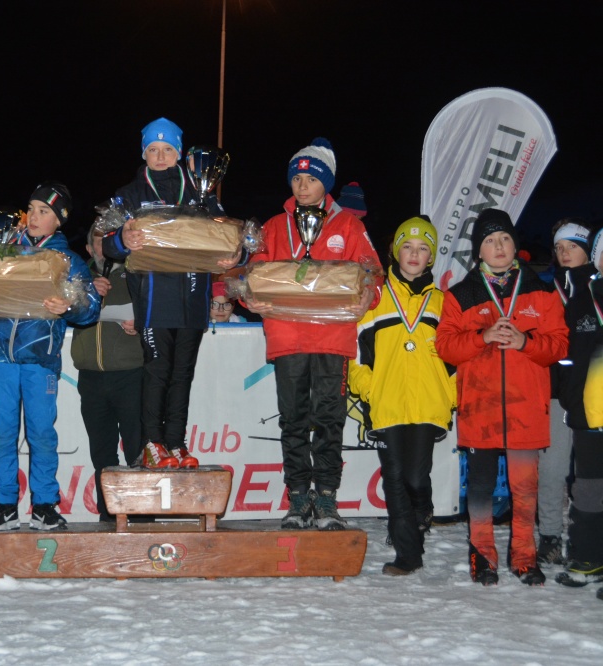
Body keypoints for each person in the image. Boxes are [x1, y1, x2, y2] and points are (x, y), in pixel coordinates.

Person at [0, 182, 101, 531]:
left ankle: (45, 504)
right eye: (31, 208)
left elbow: (91, 308)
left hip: (39, 361)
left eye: (44, 210)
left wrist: (70, 305)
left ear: (59, 220)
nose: (34, 216)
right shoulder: (0, 252)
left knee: (42, 434)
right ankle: (4, 504)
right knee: (1, 433)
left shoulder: (67, 260)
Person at [245, 137, 381, 531]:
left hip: (332, 338)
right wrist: (252, 297)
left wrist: (365, 300)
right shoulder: (272, 226)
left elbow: (373, 275)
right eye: (297, 177)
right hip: (287, 338)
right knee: (292, 419)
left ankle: (327, 498)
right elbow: (253, 278)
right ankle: (298, 497)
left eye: (311, 177)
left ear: (327, 183)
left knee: (329, 419)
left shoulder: (349, 226)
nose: (302, 185)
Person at [435, 208, 568, 586]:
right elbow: (445, 347)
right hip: (481, 408)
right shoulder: (461, 294)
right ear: (479, 250)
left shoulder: (541, 291)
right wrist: (482, 338)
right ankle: (482, 557)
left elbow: (559, 344)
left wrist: (526, 341)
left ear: (515, 246)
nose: (499, 246)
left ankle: (524, 557)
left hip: (526, 408)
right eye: (490, 240)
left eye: (505, 239)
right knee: (478, 488)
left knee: (524, 488)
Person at [102, 117, 242, 469]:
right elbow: (108, 245)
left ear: (178, 153)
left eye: (167, 150)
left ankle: (177, 444)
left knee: (183, 373)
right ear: (144, 153)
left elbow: (229, 236)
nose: (160, 156)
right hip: (153, 299)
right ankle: (152, 443)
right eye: (153, 149)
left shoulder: (199, 191)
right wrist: (123, 240)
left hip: (194, 299)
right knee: (158, 371)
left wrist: (238, 253)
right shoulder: (130, 194)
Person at [349, 217, 456, 575]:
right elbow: (356, 354)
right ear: (395, 251)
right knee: (393, 476)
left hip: (428, 402)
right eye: (407, 247)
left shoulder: (444, 303)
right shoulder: (374, 298)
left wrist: (450, 395)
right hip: (387, 401)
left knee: (415, 477)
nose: (414, 253)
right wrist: (370, 389)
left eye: (423, 248)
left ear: (431, 258)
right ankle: (408, 555)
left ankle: (422, 508)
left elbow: (458, 358)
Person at [70, 227, 143, 522]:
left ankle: (141, 515)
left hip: (131, 373)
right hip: (90, 376)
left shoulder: (137, 271)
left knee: (138, 451)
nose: (104, 246)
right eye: (97, 241)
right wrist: (86, 293)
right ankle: (109, 514)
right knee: (102, 453)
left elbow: (157, 313)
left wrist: (141, 324)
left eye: (108, 239)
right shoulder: (75, 276)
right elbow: (60, 310)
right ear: (88, 248)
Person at [538, 219, 594, 565]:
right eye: (559, 248)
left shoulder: (598, 289)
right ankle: (550, 536)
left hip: (594, 397)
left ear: (587, 250)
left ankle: (589, 539)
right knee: (552, 470)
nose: (564, 253)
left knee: (591, 477)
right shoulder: (546, 290)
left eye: (571, 246)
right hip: (557, 395)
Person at [554, 227, 603, 590]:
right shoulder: (582, 299)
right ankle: (587, 558)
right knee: (587, 487)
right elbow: (570, 358)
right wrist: (572, 401)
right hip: (591, 412)